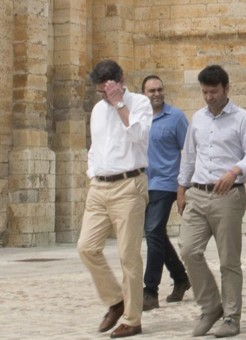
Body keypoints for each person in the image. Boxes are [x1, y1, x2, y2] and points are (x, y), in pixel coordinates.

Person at [177, 65, 246, 338]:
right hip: (197, 193)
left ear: (227, 89)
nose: (209, 97)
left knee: (228, 260)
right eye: (204, 92)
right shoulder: (197, 119)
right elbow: (189, 155)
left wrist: (234, 171)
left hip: (228, 195)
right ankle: (211, 306)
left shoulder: (242, 118)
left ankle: (231, 317)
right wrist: (182, 188)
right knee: (188, 250)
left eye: (214, 91)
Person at [77, 59, 152, 338]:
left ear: (120, 81)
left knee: (128, 255)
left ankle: (133, 319)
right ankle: (116, 300)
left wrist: (120, 104)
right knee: (86, 247)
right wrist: (92, 173)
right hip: (99, 186)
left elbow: (140, 135)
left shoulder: (140, 103)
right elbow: (95, 146)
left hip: (128, 185)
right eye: (100, 92)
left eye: (106, 90)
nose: (103, 97)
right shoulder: (97, 109)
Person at [141, 75, 191, 311]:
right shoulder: (138, 119)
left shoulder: (176, 118)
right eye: (151, 90)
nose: (157, 94)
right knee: (156, 233)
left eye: (160, 89)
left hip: (166, 183)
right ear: (144, 94)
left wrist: (184, 186)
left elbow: (190, 151)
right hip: (142, 184)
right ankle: (181, 277)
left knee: (152, 232)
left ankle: (150, 291)